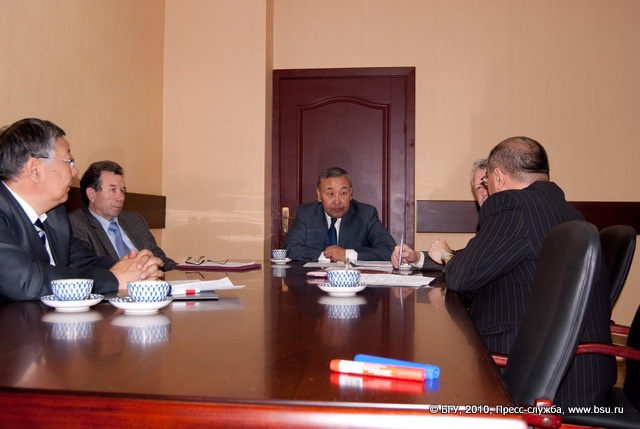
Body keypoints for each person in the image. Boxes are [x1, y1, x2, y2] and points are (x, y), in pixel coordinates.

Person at [396, 137, 615, 407]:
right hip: (580, 375)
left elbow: (462, 277)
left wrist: (448, 257)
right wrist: (431, 258)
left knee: (434, 364)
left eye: (486, 180)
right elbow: (485, 259)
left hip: (536, 374)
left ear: (498, 177)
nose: (486, 190)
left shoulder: (512, 204)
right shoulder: (561, 208)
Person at [0, 118, 163, 302]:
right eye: (68, 162)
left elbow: (85, 260)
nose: (75, 171)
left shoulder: (55, 215)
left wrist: (136, 268)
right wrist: (114, 278)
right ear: (35, 169)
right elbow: (27, 282)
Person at [69, 161, 177, 270]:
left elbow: (160, 259)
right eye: (113, 190)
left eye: (122, 191)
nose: (121, 197)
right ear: (92, 194)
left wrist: (181, 270)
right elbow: (87, 270)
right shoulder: (76, 225)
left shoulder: (135, 220)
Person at [392, 158, 488, 270]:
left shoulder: (502, 224)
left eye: (487, 185)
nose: (484, 193)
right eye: (479, 188)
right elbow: (465, 259)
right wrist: (416, 258)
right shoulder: (486, 224)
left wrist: (446, 256)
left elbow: (475, 270)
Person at [284, 167, 396, 262]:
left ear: (350, 194)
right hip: (313, 279)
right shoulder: (306, 214)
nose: (337, 201)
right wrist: (326, 256)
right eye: (330, 193)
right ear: (319, 195)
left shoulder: (366, 214)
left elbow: (389, 250)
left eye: (343, 193)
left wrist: (347, 255)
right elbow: (289, 248)